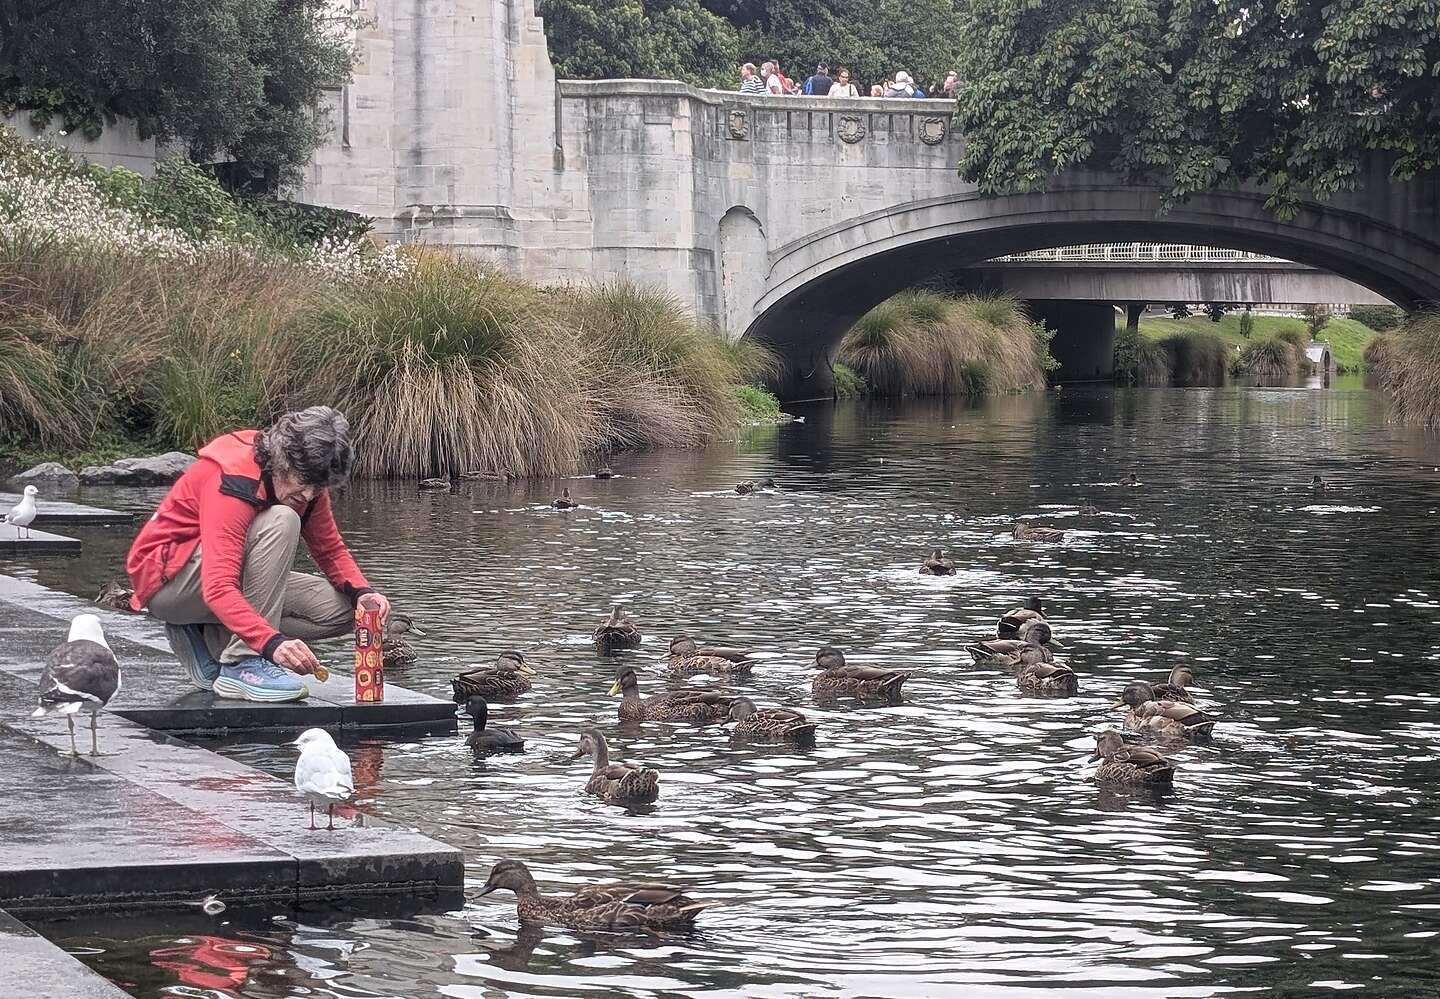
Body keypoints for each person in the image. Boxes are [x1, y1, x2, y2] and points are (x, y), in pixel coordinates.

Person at [126, 406, 392, 703]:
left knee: (348, 612)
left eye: (318, 487)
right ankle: (243, 663)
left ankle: (206, 635)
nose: (307, 496)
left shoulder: (308, 485)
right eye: (304, 482)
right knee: (283, 520)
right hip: (168, 584)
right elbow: (218, 586)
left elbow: (329, 549)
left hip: (212, 583)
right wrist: (271, 644)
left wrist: (363, 593)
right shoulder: (233, 479)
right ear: (281, 460)